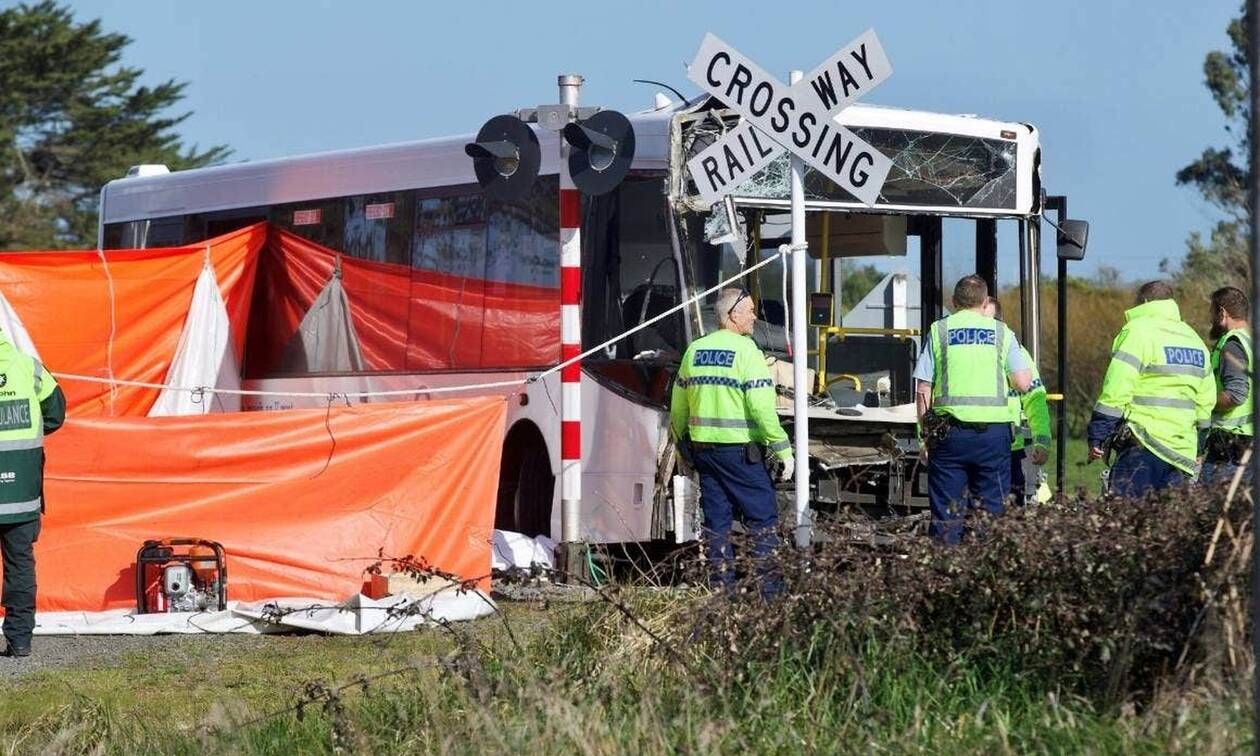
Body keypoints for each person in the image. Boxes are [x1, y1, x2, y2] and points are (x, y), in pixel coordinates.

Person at [670, 287, 792, 595]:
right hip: (739, 454)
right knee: (763, 519)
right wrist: (782, 449)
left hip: (704, 453)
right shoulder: (747, 352)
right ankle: (770, 596)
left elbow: (679, 405)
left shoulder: (695, 350)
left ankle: (722, 593)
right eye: (750, 310)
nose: (754, 316)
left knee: (717, 524)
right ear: (732, 316)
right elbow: (762, 409)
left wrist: (680, 442)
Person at [913, 276, 1032, 544]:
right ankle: (980, 576)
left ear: (954, 302)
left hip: (947, 436)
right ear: (985, 302)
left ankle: (945, 577)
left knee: (946, 514)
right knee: (989, 513)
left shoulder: (939, 331)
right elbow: (1024, 383)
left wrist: (925, 436)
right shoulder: (1003, 333)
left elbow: (923, 390)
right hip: (993, 437)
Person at [1087, 281, 1214, 497]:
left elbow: (1118, 387)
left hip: (1143, 443)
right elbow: (1205, 402)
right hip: (1182, 454)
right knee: (1166, 527)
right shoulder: (1194, 339)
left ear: (1145, 302)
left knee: (1126, 523)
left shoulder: (1138, 331)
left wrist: (1098, 433)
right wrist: (1200, 445)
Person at [0, 332, 65, 657]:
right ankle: (20, 640)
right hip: (22, 492)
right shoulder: (28, 368)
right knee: (20, 565)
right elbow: (54, 415)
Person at [981, 296, 1051, 503]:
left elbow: (1035, 399)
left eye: (989, 321)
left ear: (1000, 324)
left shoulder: (1018, 354)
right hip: (977, 446)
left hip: (1010, 450)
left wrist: (1042, 441)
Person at [1201, 286, 1253, 485]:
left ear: (1222, 312)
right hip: (1246, 444)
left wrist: (1202, 402)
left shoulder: (1233, 343)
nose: (1211, 319)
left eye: (1212, 313)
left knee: (1209, 511)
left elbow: (1235, 395)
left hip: (1232, 447)